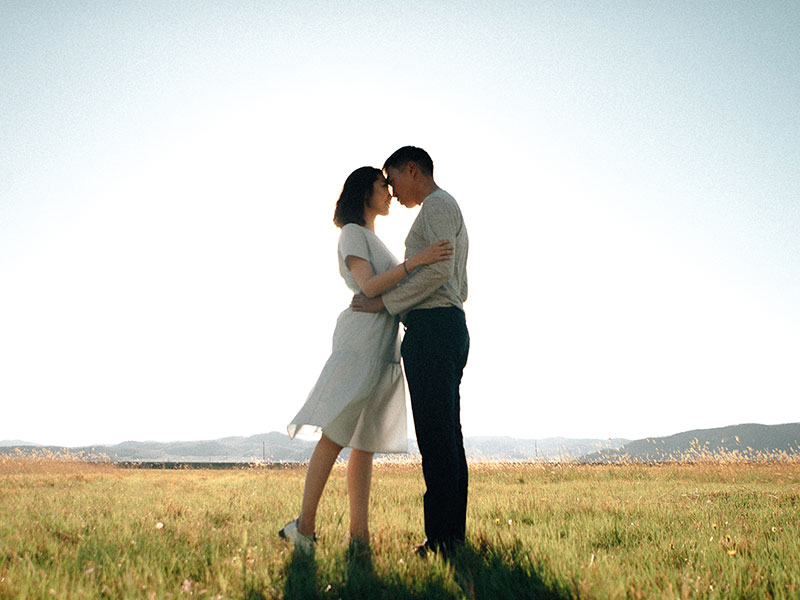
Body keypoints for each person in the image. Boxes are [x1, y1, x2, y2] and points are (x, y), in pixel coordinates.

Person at [279, 166, 453, 552]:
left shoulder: (373, 238)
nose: (389, 192)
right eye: (382, 185)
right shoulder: (352, 234)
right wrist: (418, 261)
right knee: (337, 433)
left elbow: (388, 289)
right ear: (363, 192)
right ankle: (302, 529)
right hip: (360, 344)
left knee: (364, 441)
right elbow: (370, 286)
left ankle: (359, 537)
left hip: (381, 346)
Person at [351, 146, 470, 557]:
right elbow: (459, 281)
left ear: (412, 169)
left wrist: (387, 303)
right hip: (447, 325)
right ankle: (451, 537)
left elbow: (438, 270)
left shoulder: (436, 205)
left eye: (393, 178)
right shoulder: (447, 207)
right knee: (447, 438)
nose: (393, 191)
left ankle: (440, 542)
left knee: (438, 441)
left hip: (434, 329)